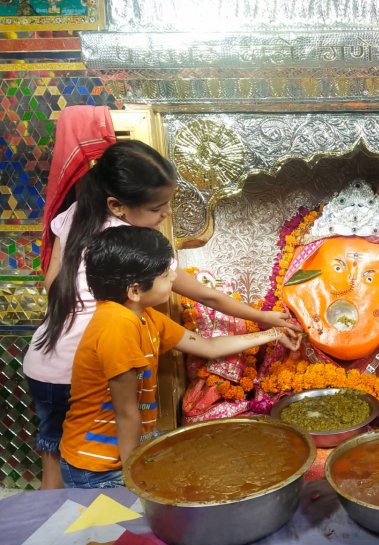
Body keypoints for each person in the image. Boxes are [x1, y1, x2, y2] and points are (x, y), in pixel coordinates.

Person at [24, 140, 300, 489]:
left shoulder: (78, 216)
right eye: (157, 209)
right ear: (118, 205)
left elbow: (52, 282)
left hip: (43, 361)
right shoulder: (134, 256)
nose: (165, 215)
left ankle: (50, 528)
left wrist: (268, 325)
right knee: (96, 460)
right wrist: (135, 479)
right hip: (92, 366)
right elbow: (206, 296)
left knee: (58, 457)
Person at [59, 226, 301, 489]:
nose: (174, 276)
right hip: (98, 467)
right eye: (165, 274)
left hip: (123, 454)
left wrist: (274, 333)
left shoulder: (145, 317)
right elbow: (126, 413)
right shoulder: (116, 325)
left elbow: (208, 347)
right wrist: (134, 478)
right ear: (135, 290)